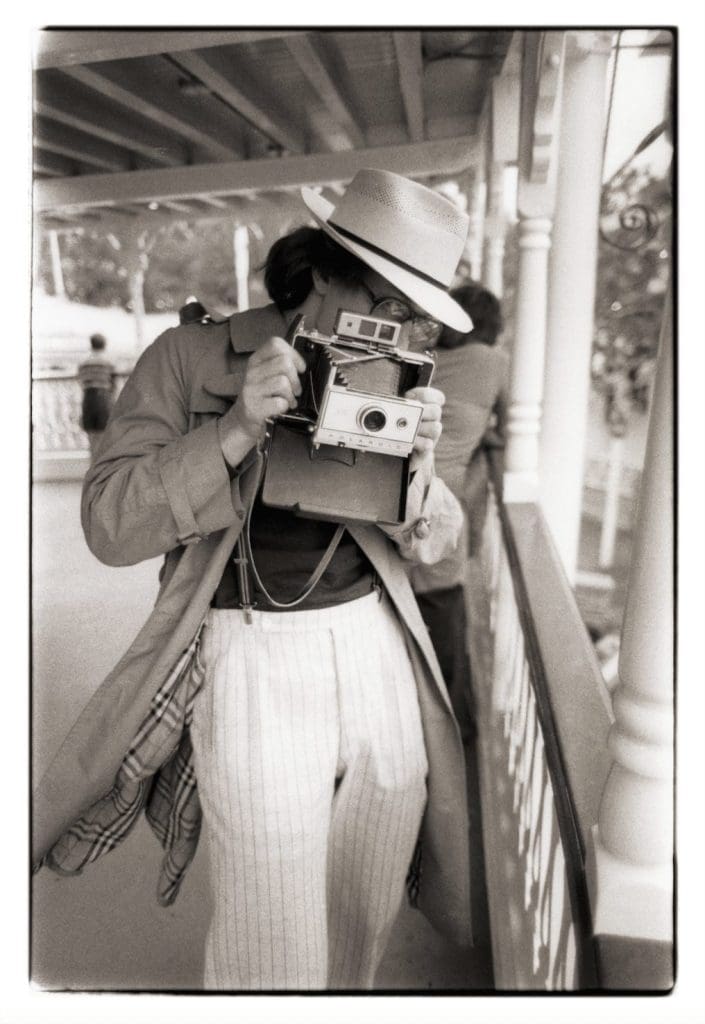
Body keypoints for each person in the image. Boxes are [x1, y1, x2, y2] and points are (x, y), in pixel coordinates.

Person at [33, 169, 475, 991]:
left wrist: (416, 474)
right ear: (322, 273)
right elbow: (107, 525)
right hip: (247, 647)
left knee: (367, 893)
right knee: (270, 917)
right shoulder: (191, 356)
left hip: (375, 642)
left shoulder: (393, 370)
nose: (396, 330)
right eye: (386, 304)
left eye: (415, 319)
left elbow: (441, 545)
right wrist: (234, 429)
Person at [410, 283, 509, 742]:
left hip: (397, 492)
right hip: (442, 505)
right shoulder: (493, 363)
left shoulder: (423, 357)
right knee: (445, 615)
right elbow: (508, 425)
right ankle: (452, 732)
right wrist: (484, 435)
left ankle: (419, 723)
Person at [77, 332, 116, 455]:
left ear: (91, 345)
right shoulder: (108, 361)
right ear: (104, 345)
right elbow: (113, 384)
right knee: (105, 436)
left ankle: (93, 463)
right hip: (103, 398)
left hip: (88, 398)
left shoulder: (84, 362)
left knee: (92, 437)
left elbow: (81, 382)